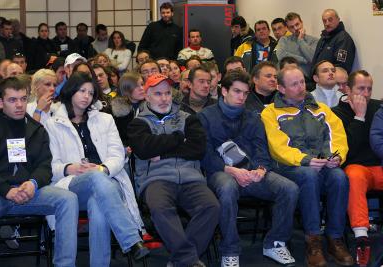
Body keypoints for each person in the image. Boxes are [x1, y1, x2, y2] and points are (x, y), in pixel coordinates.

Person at [44, 72, 149, 267]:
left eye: (91, 93)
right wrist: (70, 168)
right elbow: (50, 165)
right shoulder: (52, 124)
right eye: (82, 91)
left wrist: (103, 169)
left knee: (98, 204)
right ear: (70, 91)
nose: (86, 96)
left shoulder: (105, 119)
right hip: (73, 185)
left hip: (108, 180)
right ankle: (131, 240)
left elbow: (118, 155)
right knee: (94, 181)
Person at [199, 69, 298, 267]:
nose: (241, 97)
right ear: (224, 91)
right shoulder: (205, 117)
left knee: (289, 188)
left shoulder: (253, 117)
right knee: (227, 189)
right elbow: (204, 155)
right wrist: (233, 171)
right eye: (236, 91)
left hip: (252, 172)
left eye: (245, 93)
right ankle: (230, 250)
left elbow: (263, 151)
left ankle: (274, 243)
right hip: (222, 172)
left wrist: (261, 170)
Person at [261, 66, 354, 267]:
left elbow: (337, 136)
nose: (301, 87)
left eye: (302, 82)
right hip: (288, 166)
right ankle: (313, 240)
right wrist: (306, 160)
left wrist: (334, 157)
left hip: (321, 162)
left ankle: (335, 238)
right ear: (281, 88)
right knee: (308, 176)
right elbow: (278, 147)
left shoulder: (320, 109)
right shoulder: (270, 112)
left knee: (339, 177)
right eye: (294, 84)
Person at [0, 76, 79, 267]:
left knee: (68, 199)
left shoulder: (37, 129)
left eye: (23, 99)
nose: (19, 105)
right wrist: (5, 189)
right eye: (12, 100)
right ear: (1, 102)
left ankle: (65, 265)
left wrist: (33, 183)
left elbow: (45, 165)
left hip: (30, 192)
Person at [127, 74, 220, 267]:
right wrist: (179, 137)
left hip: (191, 177)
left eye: (168, 93)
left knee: (211, 207)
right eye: (158, 94)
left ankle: (181, 261)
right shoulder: (138, 123)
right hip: (155, 179)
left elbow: (198, 149)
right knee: (160, 208)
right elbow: (144, 149)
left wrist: (163, 152)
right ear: (147, 96)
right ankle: (188, 260)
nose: (164, 99)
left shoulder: (188, 118)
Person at [333, 70, 381, 267]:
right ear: (347, 89)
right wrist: (359, 118)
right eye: (361, 88)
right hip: (355, 166)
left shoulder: (378, 107)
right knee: (353, 176)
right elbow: (347, 151)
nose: (366, 94)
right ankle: (361, 236)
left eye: (369, 89)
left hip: (379, 165)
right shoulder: (337, 113)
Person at [276, 12, 318, 82]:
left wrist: (300, 40)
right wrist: (304, 60)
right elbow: (281, 55)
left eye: (297, 24)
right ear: (288, 29)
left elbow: (312, 58)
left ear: (301, 22)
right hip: (286, 79)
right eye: (291, 27)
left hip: (307, 80)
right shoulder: (284, 40)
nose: (295, 28)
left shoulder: (314, 40)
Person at [312, 9, 356, 73]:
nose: (327, 23)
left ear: (338, 20)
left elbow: (341, 67)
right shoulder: (323, 38)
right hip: (319, 80)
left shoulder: (343, 39)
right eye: (324, 21)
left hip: (332, 82)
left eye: (330, 20)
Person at [110, 72, 145, 146]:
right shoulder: (117, 111)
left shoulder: (150, 106)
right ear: (126, 89)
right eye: (136, 86)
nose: (142, 88)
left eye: (142, 84)